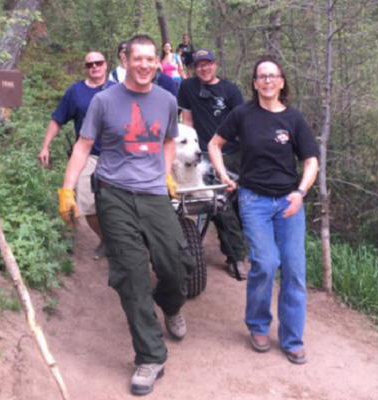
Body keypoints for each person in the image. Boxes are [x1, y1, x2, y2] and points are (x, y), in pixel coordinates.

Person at [58, 35, 195, 396]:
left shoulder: (167, 99)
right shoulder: (104, 100)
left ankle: (170, 303)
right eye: (139, 59)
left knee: (178, 263)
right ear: (127, 60)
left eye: (151, 59)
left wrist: (166, 173)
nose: (146, 65)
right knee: (130, 274)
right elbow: (83, 146)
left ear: (156, 61)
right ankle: (150, 356)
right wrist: (67, 189)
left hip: (153, 195)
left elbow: (168, 140)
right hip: (114, 193)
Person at [208, 55, 319, 365]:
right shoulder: (243, 115)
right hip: (253, 199)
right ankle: (258, 325)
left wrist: (300, 192)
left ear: (282, 82)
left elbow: (311, 160)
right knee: (266, 263)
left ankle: (292, 339)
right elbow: (214, 144)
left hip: (289, 202)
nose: (267, 81)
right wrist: (222, 174)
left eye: (273, 76)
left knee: (295, 271)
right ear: (254, 83)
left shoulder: (294, 119)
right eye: (261, 76)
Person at [177, 48, 248, 279]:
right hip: (204, 154)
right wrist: (190, 151)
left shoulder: (230, 90)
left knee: (236, 205)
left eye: (207, 64)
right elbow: (186, 121)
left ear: (215, 65)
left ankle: (241, 251)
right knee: (218, 204)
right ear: (194, 68)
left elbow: (242, 124)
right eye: (199, 65)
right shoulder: (188, 87)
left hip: (232, 152)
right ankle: (235, 257)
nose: (203, 69)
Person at [39, 51, 115, 259]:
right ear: (85, 68)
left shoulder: (118, 90)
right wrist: (45, 145)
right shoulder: (76, 92)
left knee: (120, 202)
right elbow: (57, 119)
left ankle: (125, 241)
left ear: (106, 65)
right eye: (90, 64)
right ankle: (106, 240)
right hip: (87, 154)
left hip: (116, 155)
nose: (94, 67)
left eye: (98, 63)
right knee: (88, 204)